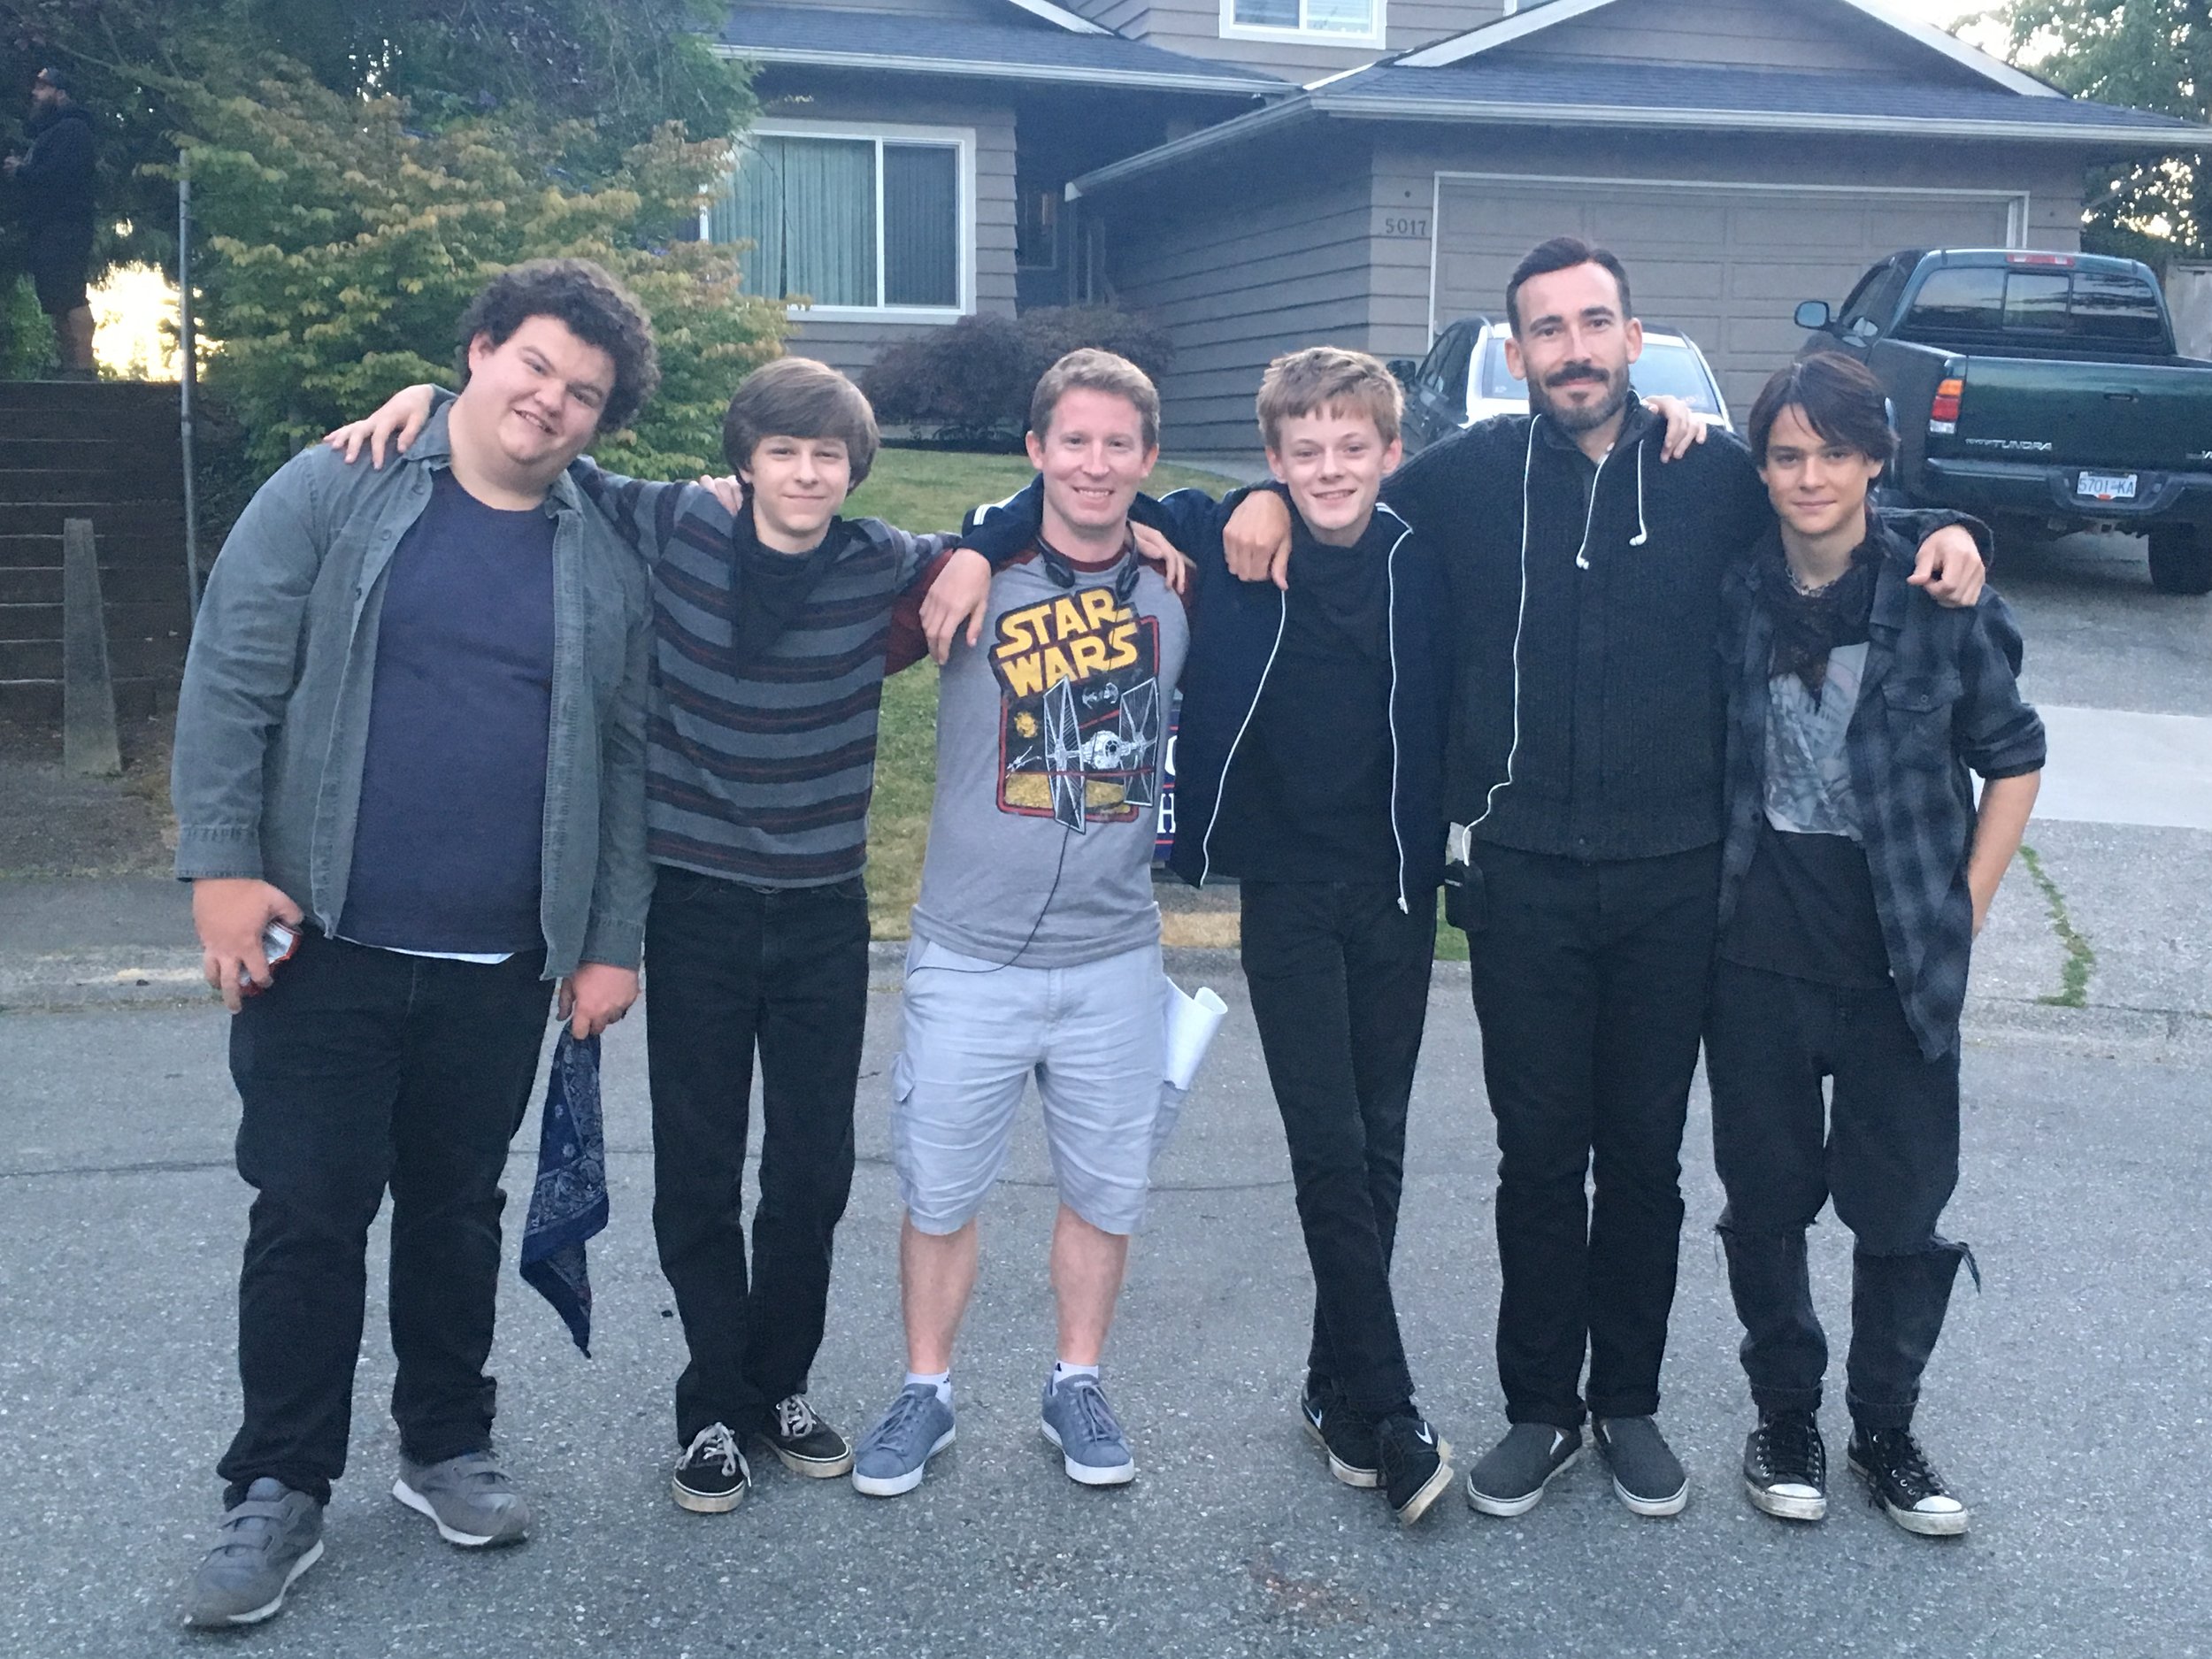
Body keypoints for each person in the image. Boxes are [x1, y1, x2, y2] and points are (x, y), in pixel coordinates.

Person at [1223, 236, 1988, 1522]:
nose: (1572, 348)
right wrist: (1251, 500)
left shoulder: (1718, 478)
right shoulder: (1458, 482)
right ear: (1516, 353)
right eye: (1546, 330)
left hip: (1678, 879)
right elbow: (1333, 495)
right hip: (1518, 878)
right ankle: (1541, 1406)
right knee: (1537, 1155)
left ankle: (1625, 1398)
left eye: (1594, 323)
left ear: (1634, 335)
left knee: (1642, 1157)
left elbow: (1841, 508)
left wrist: (1950, 529)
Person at [319, 357, 1069, 1515]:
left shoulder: (881, 564)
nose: (806, 472)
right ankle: (711, 1402)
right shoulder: (673, 524)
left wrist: (989, 543)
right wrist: (423, 395)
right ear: (746, 459)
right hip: (700, 902)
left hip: (824, 910)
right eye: (784, 451)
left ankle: (779, 1383)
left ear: (852, 468)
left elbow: (1030, 519)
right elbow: (543, 448)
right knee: (701, 1166)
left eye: (828, 455)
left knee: (813, 1171)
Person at [172, 258, 657, 1628]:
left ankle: (445, 1443)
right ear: (480, 349)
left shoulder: (600, 552)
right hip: (319, 939)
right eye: (536, 368)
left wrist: (609, 937)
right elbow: (232, 672)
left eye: (584, 395)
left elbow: (624, 759)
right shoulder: (338, 486)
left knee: (458, 1210)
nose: (552, 403)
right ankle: (277, 1485)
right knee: (310, 1211)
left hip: (501, 960)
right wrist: (219, 863)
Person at [847, 349, 1190, 1499]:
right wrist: (975, 547)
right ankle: (925, 1388)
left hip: (1113, 956)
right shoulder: (966, 576)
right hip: (970, 949)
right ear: (1035, 449)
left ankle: (1076, 1379)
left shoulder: (1174, 585)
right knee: (939, 1191)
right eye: (1074, 440)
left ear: (1148, 457)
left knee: (1106, 1192)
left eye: (1118, 443)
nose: (1095, 464)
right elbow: (814, 561)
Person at [1712, 352, 2041, 1537]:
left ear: (1872, 462)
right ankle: (1785, 1417)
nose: (1811, 475)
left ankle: (1886, 1430)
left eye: (1835, 453)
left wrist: (1971, 900)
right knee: (1767, 1200)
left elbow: (2014, 753)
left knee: (1900, 1209)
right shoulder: (1735, 584)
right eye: (1789, 454)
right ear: (1765, 466)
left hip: (1901, 951)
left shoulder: (1933, 590)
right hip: (1753, 953)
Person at [1161, 346, 1458, 1525]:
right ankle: (1388, 1402)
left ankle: (1332, 1382)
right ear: (1272, 455)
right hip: (1287, 887)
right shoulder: (1232, 544)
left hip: (1397, 886)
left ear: (1392, 455)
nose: (1329, 469)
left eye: (1352, 449)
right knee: (1328, 1141)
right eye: (1302, 453)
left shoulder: (1424, 561)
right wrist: (1248, 501)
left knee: (1379, 1136)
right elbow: (1094, 491)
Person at [4, 66, 96, 377]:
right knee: (56, 296)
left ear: (60, 93)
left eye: (43, 87)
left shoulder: (73, 129)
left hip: (67, 226)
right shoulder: (53, 132)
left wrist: (23, 170)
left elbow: (61, 176)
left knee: (70, 295)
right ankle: (68, 365)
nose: (35, 93)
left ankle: (84, 367)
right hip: (49, 227)